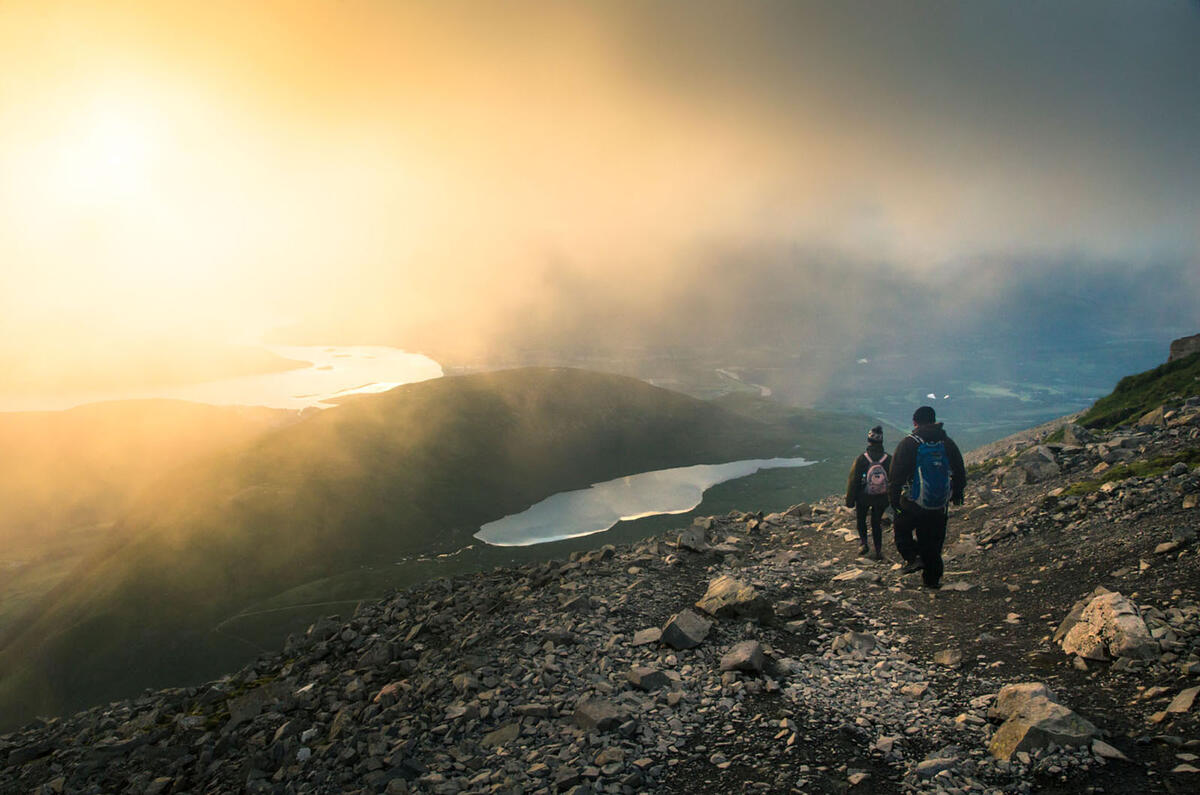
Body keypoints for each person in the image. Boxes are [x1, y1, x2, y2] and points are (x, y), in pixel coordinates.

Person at [887, 406, 966, 589]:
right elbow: (959, 470)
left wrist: (894, 500)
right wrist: (957, 494)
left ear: (915, 422)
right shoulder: (947, 443)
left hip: (913, 502)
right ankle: (932, 580)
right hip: (939, 503)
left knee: (901, 530)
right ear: (934, 420)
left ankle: (914, 557)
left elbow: (896, 475)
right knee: (933, 539)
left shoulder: (909, 443)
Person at [845, 425, 890, 560]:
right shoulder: (888, 459)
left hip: (863, 496)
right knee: (876, 523)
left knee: (861, 519)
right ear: (881, 441)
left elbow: (854, 481)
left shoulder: (862, 459)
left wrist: (850, 500)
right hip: (881, 497)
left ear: (869, 440)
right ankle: (878, 550)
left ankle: (864, 543)